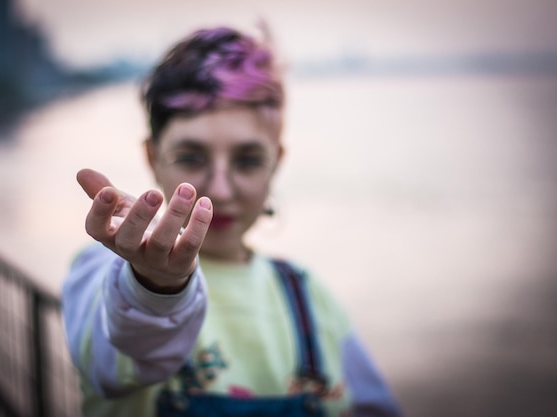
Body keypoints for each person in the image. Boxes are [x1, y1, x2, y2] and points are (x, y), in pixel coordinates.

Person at [62, 25, 403, 417]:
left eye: (247, 160)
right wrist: (155, 287)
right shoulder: (105, 272)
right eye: (191, 156)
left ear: (277, 163)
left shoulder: (311, 296)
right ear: (152, 158)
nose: (220, 191)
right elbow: (122, 351)